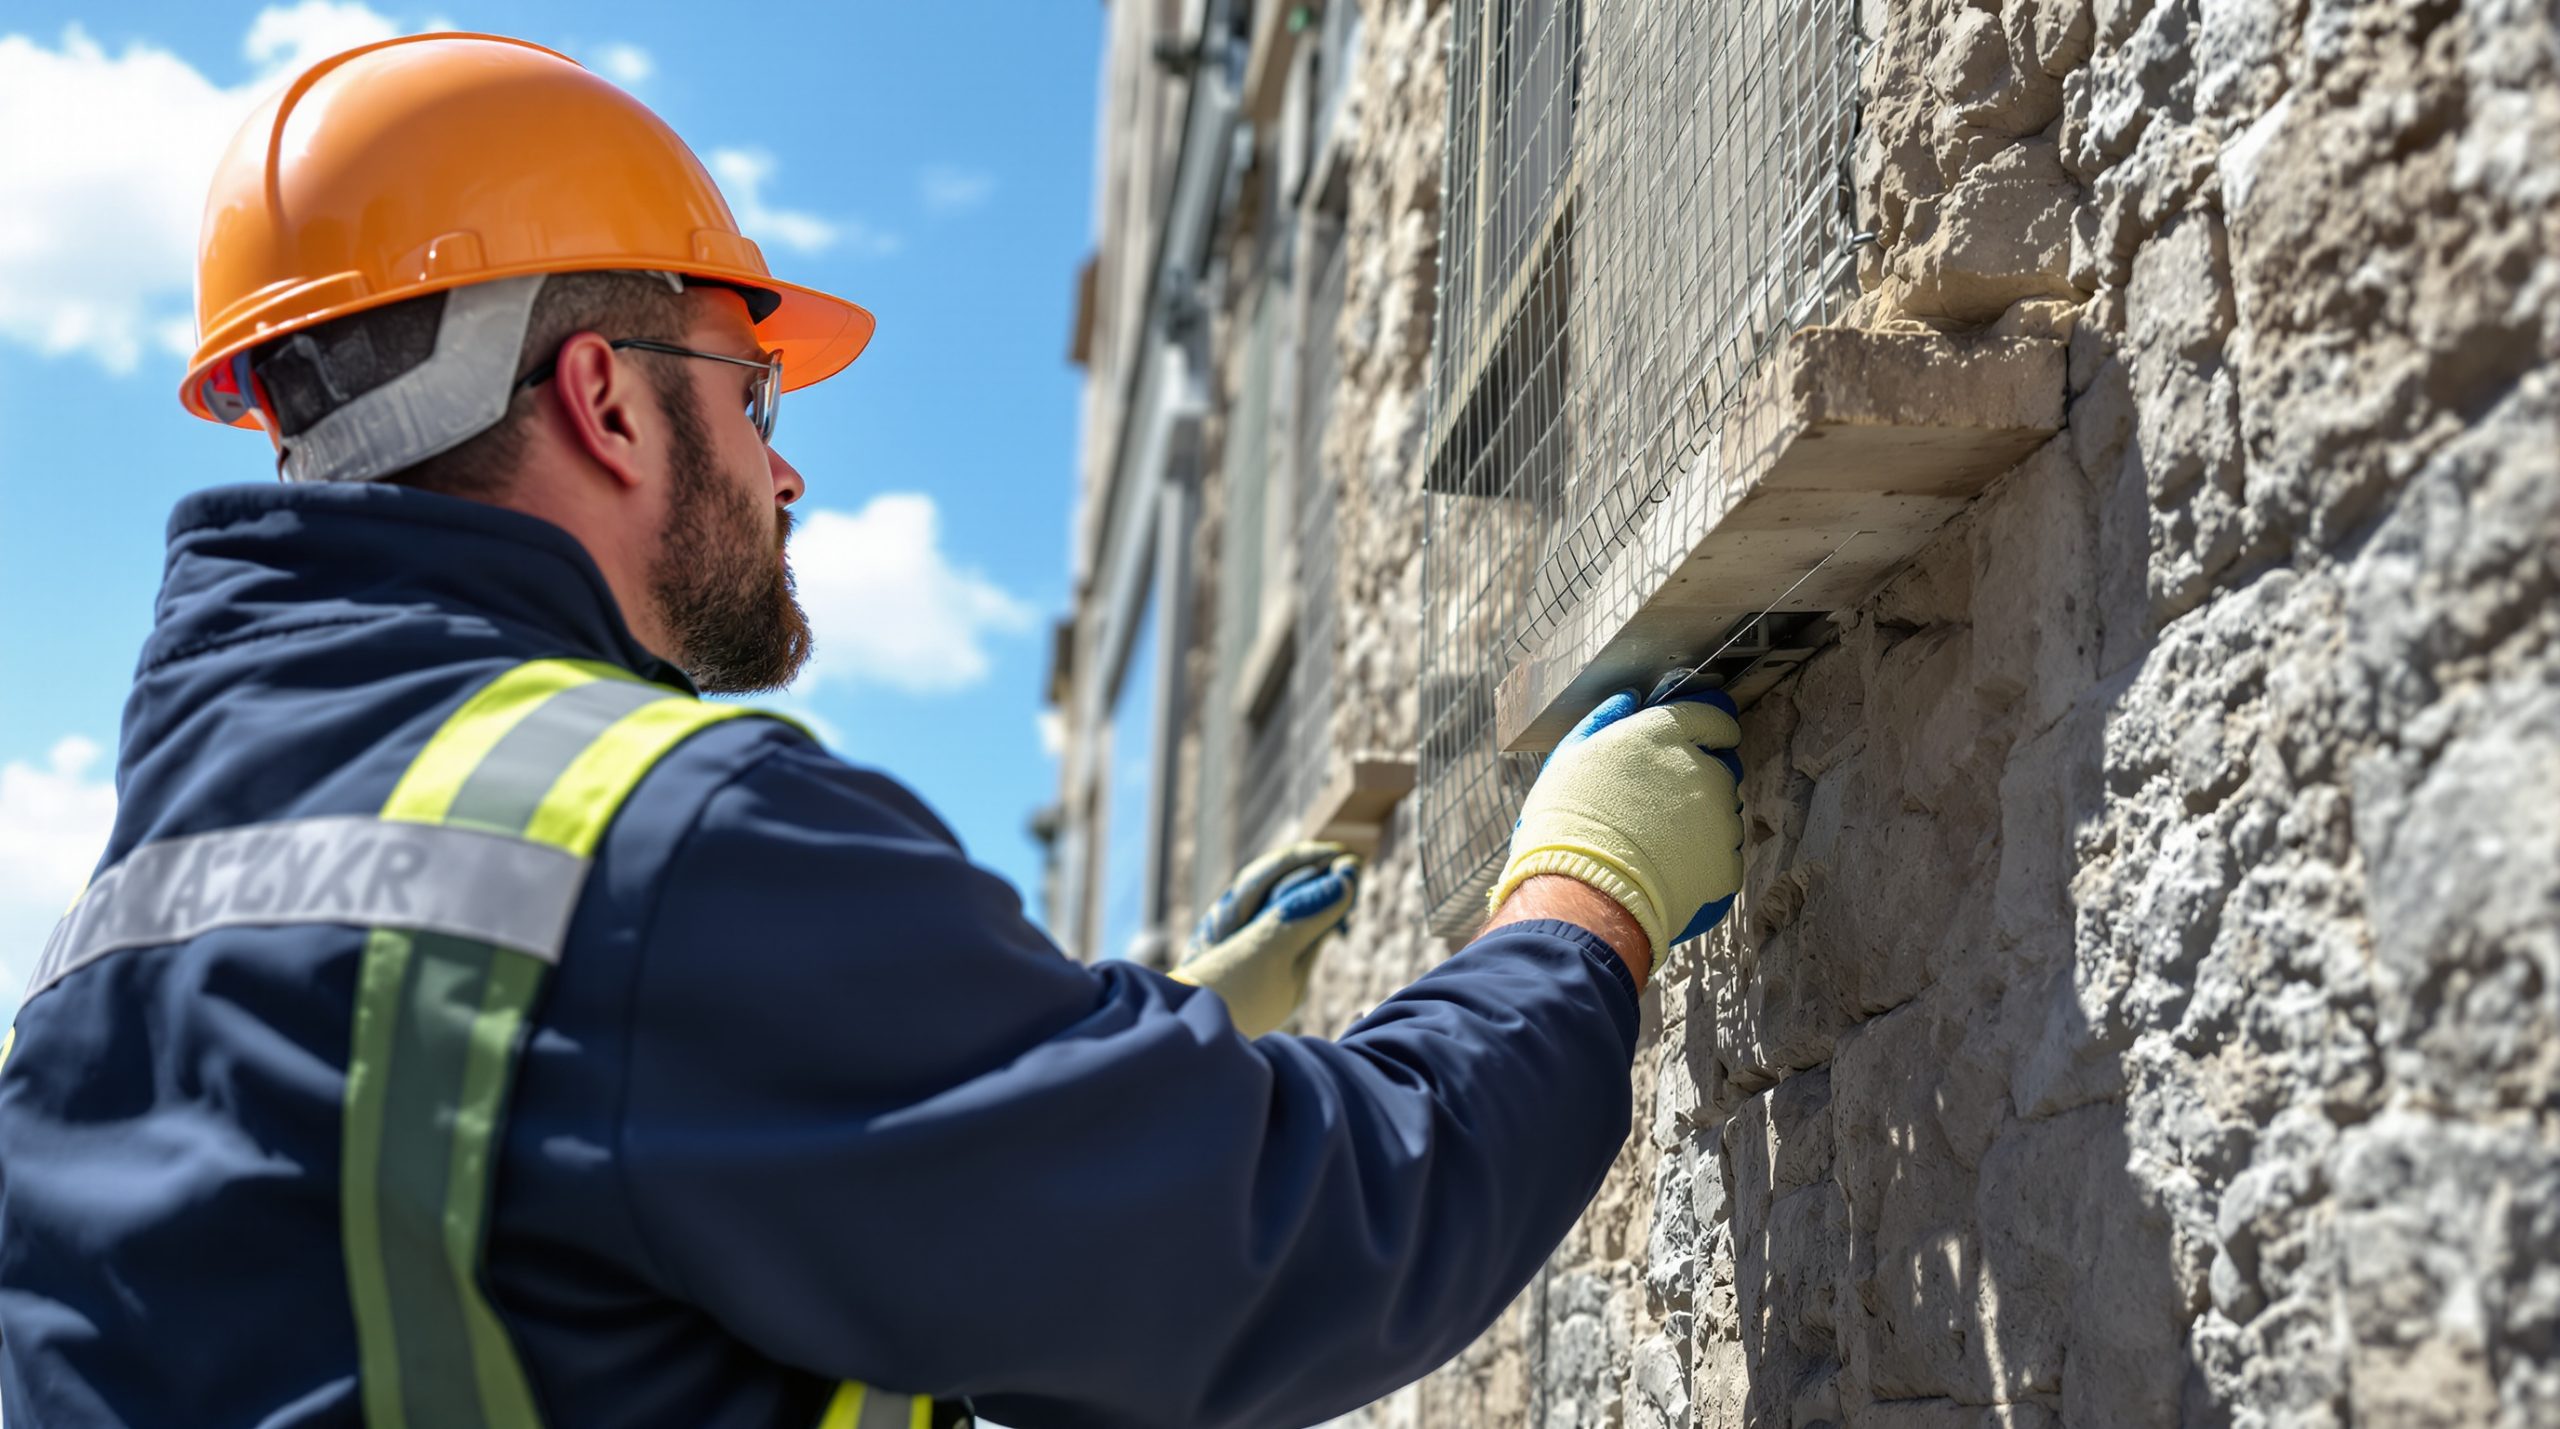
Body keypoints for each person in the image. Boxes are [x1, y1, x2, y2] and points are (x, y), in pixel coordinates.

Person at [0, 33, 1746, 1429]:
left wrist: (1084, 1051)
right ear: (605, 401)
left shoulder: (121, 933)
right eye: (749, 388)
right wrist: (1581, 903)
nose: (784, 471)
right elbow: (1296, 1239)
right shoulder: (659, 848)